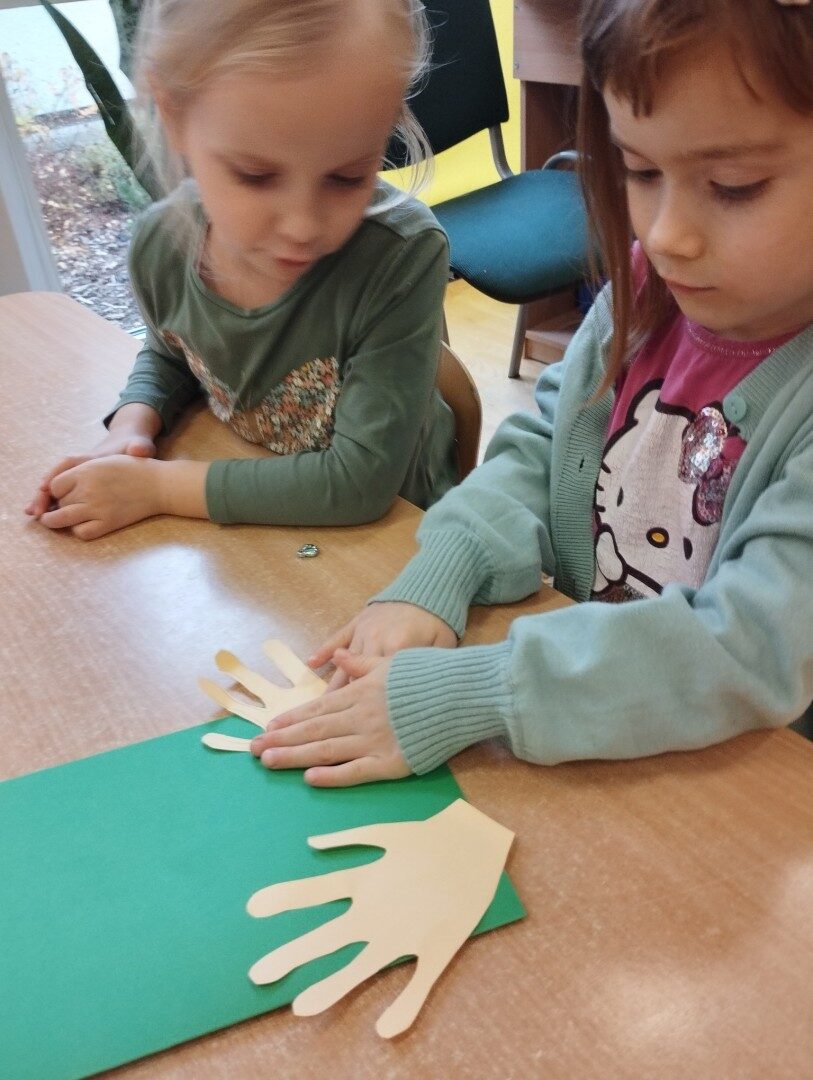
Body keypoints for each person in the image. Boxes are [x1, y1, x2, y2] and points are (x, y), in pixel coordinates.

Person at [250, 0, 813, 787]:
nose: (664, 234)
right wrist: (445, 569)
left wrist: (485, 692)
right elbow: (545, 447)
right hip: (603, 748)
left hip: (750, 790)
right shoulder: (646, 291)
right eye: (640, 171)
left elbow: (748, 644)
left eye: (732, 185)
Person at [25, 0, 456, 538]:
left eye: (348, 176)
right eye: (255, 175)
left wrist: (158, 488)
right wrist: (133, 425)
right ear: (173, 113)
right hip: (248, 529)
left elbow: (361, 482)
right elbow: (172, 350)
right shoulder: (163, 246)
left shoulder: (401, 256)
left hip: (395, 537)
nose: (302, 226)